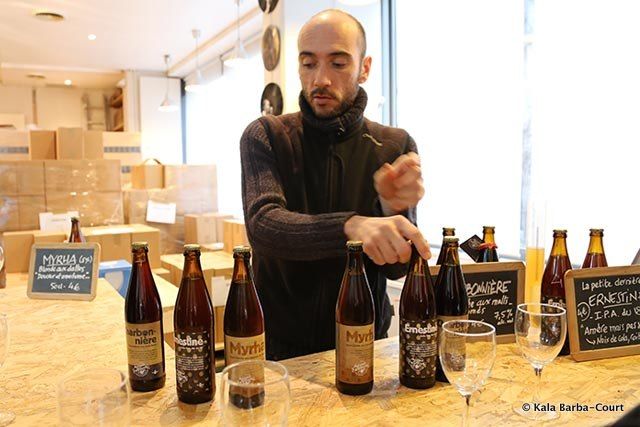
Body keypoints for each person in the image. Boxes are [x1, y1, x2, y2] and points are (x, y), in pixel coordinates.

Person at [240, 9, 430, 360]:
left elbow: (399, 267)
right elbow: (264, 225)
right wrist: (352, 226)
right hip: (278, 347)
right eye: (309, 64)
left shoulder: (394, 146)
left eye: (338, 64)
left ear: (365, 67)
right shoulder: (266, 135)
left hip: (365, 344)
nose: (321, 79)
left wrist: (392, 209)